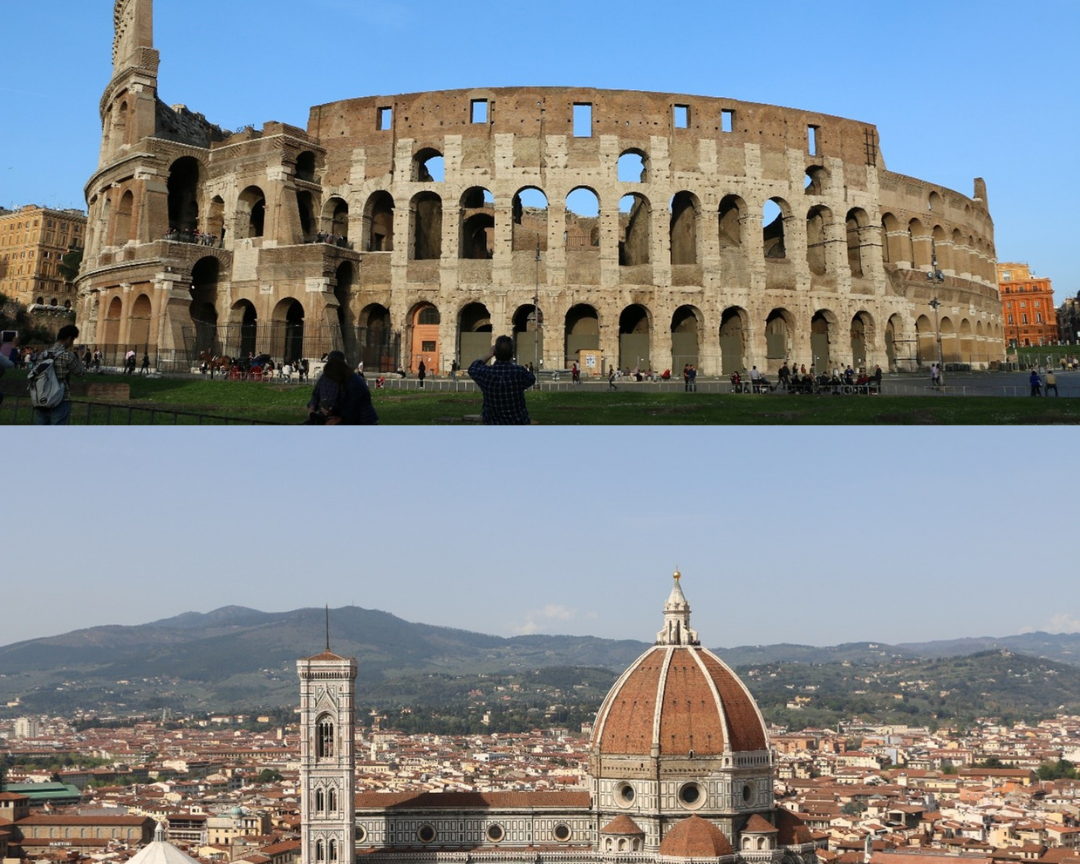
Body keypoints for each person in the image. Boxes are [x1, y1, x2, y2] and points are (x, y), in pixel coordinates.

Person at [467, 335, 536, 425]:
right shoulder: (519, 372)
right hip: (517, 422)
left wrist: (489, 354)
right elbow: (532, 378)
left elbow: (472, 368)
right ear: (512, 354)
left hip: (493, 423)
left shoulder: (487, 373)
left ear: (495, 353)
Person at [32, 324, 85, 426]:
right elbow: (81, 373)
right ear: (69, 339)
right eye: (72, 340)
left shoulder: (43, 354)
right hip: (61, 398)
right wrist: (80, 357)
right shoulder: (68, 356)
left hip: (42, 397)